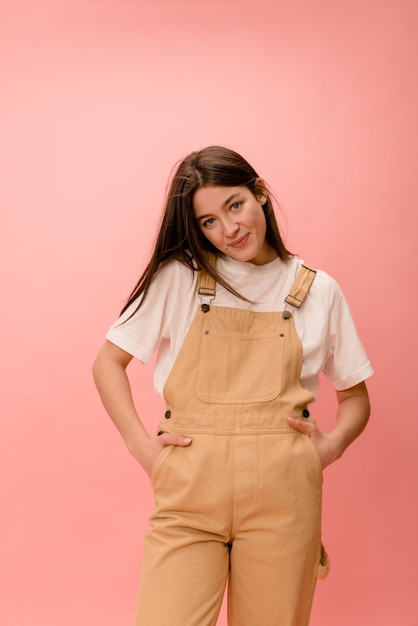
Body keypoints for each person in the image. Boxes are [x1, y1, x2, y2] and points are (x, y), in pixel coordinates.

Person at [92, 145, 373, 626]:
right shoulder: (179, 277)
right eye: (209, 222)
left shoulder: (318, 290)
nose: (229, 229)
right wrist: (142, 448)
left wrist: (328, 448)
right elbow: (107, 364)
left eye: (235, 205)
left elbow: (355, 397)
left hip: (284, 495)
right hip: (189, 490)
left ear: (259, 193)